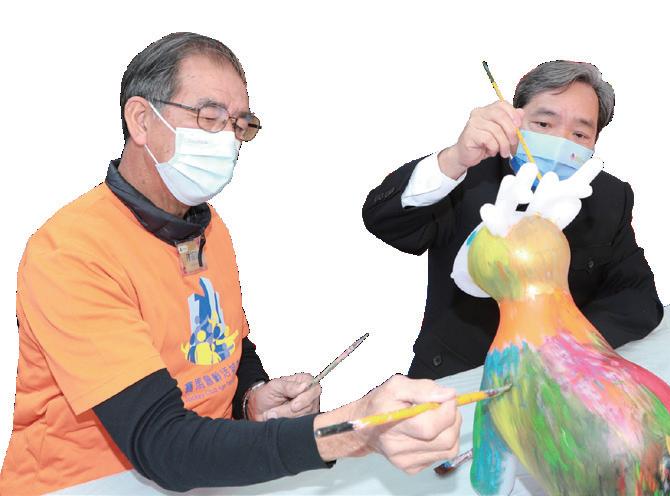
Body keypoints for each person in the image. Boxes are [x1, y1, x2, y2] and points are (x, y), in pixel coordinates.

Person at [0, 32, 460, 495]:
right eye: (209, 117)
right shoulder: (72, 253)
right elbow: (162, 446)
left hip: (203, 476)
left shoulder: (206, 227)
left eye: (240, 125)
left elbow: (228, 344)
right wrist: (348, 430)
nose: (228, 141)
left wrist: (252, 399)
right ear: (141, 120)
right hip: (84, 483)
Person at [363, 60, 664, 380]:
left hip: (557, 378)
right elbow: (386, 222)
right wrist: (454, 159)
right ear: (515, 119)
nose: (560, 141)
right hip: (454, 378)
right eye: (544, 124)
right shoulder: (469, 173)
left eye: (579, 133)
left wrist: (564, 349)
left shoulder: (608, 196)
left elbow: (637, 296)